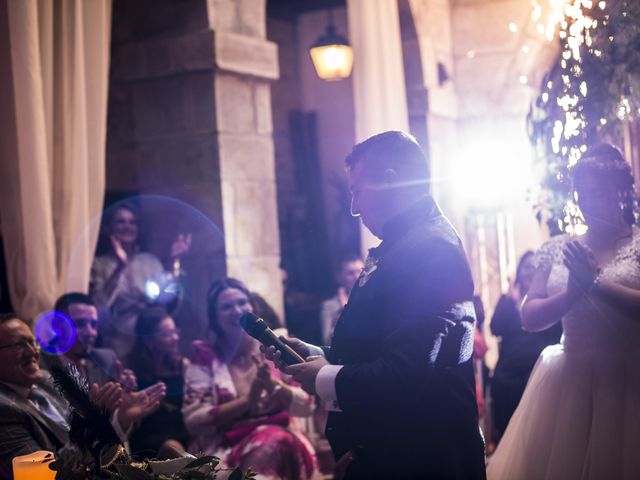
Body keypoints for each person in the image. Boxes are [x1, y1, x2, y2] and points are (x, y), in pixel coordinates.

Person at [266, 131, 486, 479]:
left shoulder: (432, 249)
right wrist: (315, 353)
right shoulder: (409, 240)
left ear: (389, 183)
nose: (353, 207)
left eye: (357, 191)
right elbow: (381, 344)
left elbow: (407, 372)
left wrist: (323, 377)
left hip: (422, 458)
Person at [487, 143, 640, 479]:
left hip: (629, 380)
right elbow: (530, 316)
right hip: (568, 384)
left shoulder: (638, 243)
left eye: (597, 193)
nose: (588, 203)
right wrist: (572, 293)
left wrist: (595, 284)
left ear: (620, 192)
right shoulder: (559, 248)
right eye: (582, 195)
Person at [0, 314, 165, 480]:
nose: (32, 351)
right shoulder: (4, 410)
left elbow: (85, 443)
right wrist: (93, 423)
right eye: (20, 345)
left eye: (32, 342)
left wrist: (120, 418)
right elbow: (42, 475)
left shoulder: (46, 380)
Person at [182, 278, 316, 479]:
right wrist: (247, 401)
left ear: (252, 307)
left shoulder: (273, 347)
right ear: (215, 316)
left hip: (283, 442)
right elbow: (193, 420)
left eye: (242, 302)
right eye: (226, 307)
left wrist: (274, 386)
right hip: (225, 449)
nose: (237, 311)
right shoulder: (206, 357)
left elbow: (308, 405)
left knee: (273, 438)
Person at [90, 202, 192, 359]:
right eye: (121, 221)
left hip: (153, 343)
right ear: (109, 227)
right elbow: (100, 306)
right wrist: (120, 267)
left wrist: (174, 263)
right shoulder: (99, 264)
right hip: (120, 342)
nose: (127, 226)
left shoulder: (150, 261)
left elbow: (167, 302)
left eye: (132, 222)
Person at [489, 251, 562, 442]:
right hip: (510, 366)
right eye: (526, 266)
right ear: (519, 272)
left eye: (534, 266)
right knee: (502, 382)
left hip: (539, 363)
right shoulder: (508, 300)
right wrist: (509, 299)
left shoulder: (549, 297)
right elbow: (494, 327)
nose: (530, 270)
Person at [127, 306, 189, 459]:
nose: (175, 338)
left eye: (176, 331)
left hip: (181, 441)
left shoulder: (183, 367)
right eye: (167, 334)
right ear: (149, 340)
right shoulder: (132, 372)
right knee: (170, 449)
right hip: (145, 446)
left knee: (174, 448)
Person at [41, 293, 137, 389]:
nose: (90, 332)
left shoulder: (106, 361)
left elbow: (118, 398)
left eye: (93, 325)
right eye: (79, 324)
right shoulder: (39, 364)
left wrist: (123, 390)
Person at [319, 254, 364, 345]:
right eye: (350, 273)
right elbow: (326, 342)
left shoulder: (370, 300)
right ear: (339, 277)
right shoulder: (329, 306)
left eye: (360, 271)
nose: (356, 277)